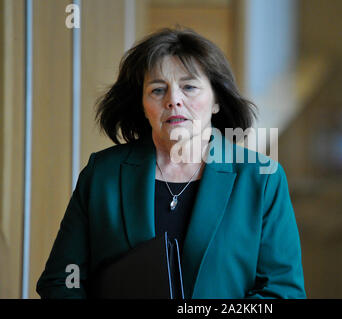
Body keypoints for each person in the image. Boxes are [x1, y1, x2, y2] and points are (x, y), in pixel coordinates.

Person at [36, 27, 306, 299]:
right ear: (142, 104)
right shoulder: (103, 174)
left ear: (216, 101)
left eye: (189, 87)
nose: (173, 100)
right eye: (157, 90)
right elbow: (62, 280)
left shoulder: (261, 178)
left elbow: (283, 292)